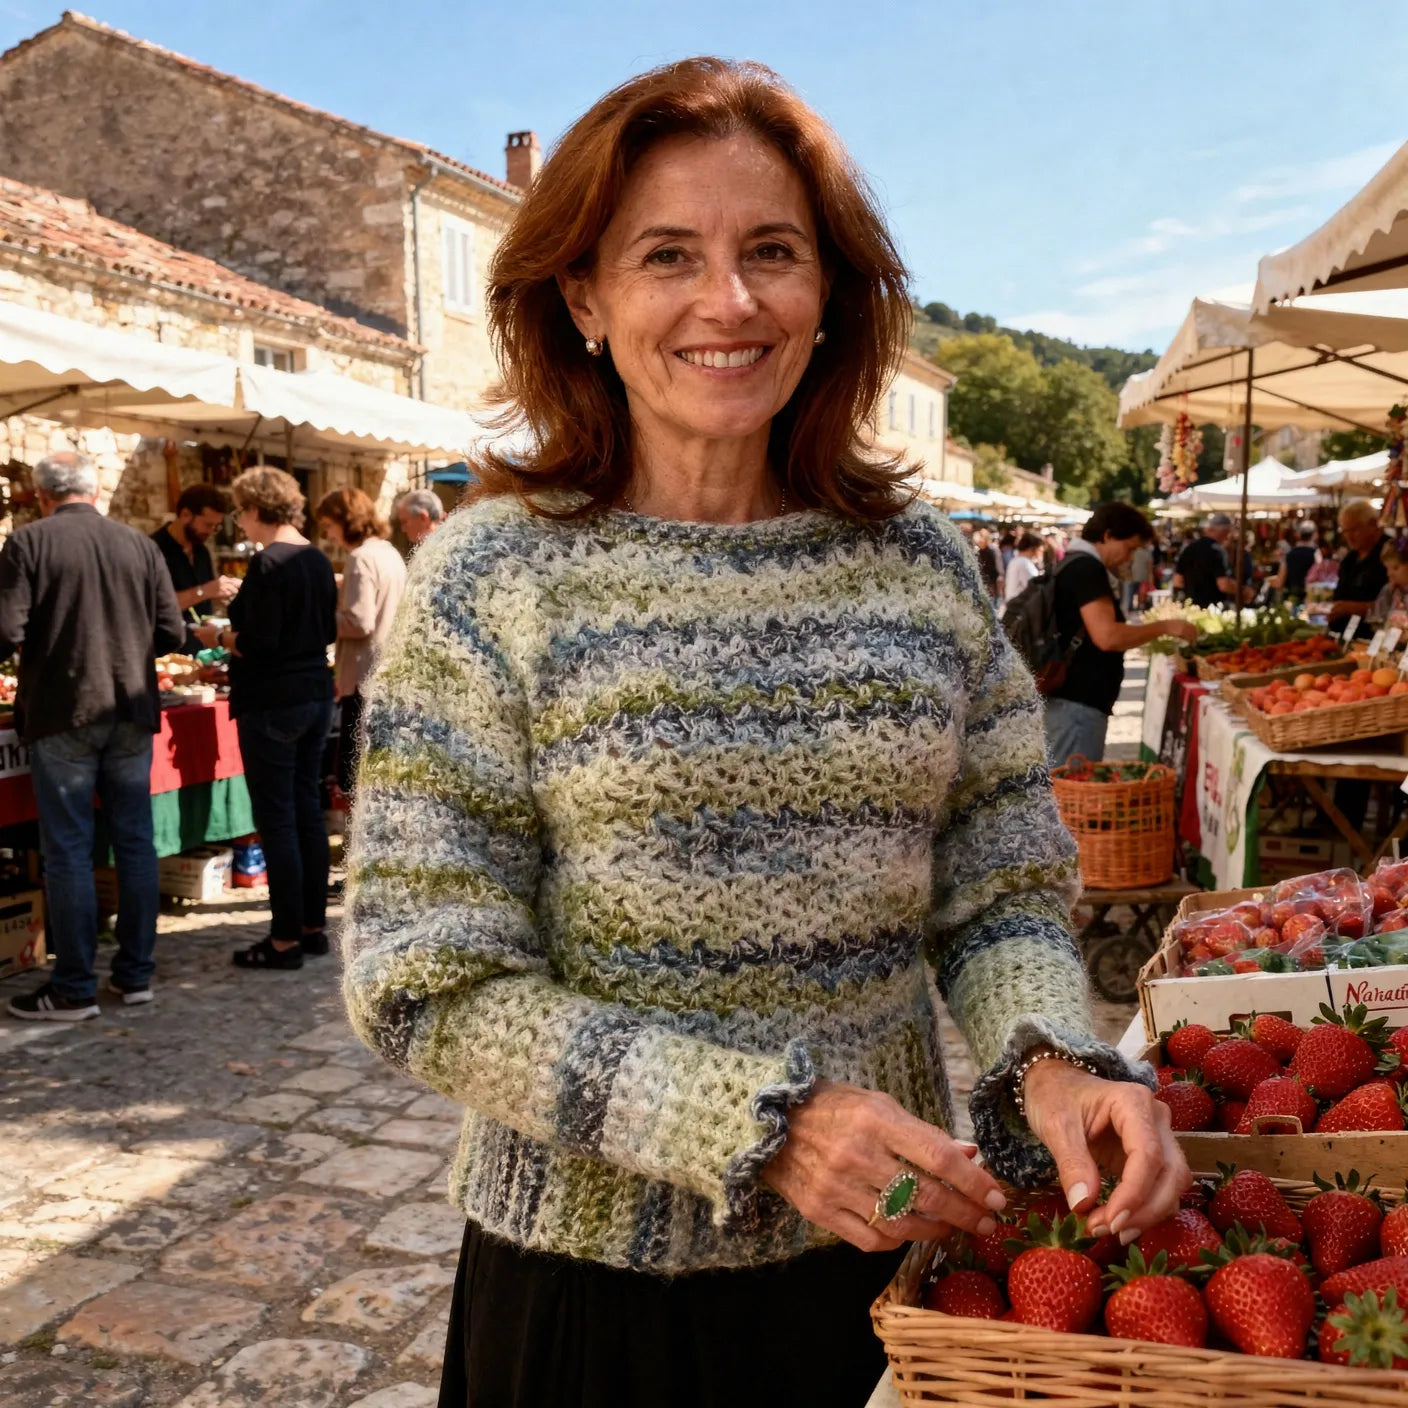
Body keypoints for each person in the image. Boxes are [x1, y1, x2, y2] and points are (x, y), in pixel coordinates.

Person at [340, 59, 1188, 1408]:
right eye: (667, 255)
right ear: (583, 297)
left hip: (883, 1286)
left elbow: (1003, 893)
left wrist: (1048, 1057)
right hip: (585, 1297)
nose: (727, 302)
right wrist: (762, 1124)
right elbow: (423, 977)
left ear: (830, 295)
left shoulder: (919, 567)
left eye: (773, 253)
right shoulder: (493, 575)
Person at [1, 452, 184, 1020]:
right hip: (128, 706)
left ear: (40, 495)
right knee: (133, 843)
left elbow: (5, 631)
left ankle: (76, 986)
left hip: (65, 710)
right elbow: (172, 631)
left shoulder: (27, 543)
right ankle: (133, 976)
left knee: (70, 852)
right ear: (96, 489)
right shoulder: (139, 544)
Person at [194, 468, 336, 971]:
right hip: (315, 693)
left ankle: (283, 940)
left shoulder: (271, 564)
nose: (241, 524)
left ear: (255, 510)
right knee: (304, 815)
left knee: (278, 819)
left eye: (241, 513)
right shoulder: (316, 559)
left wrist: (220, 639)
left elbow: (258, 642)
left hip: (274, 699)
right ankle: (311, 926)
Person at [1044, 502, 1199, 768]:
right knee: (1072, 794)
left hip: (1073, 703)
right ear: (1107, 535)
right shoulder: (1086, 569)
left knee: (1066, 791)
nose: (1129, 558)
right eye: (1129, 548)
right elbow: (1108, 636)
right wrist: (1164, 627)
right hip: (1076, 705)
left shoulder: (1075, 564)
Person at [315, 487, 406, 802]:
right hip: (388, 672)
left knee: (356, 777)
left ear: (345, 520)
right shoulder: (388, 552)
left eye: (328, 525)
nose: (328, 534)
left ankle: (358, 847)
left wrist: (318, 616)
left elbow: (358, 622)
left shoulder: (360, 558)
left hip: (365, 676)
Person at [151, 483, 241, 623]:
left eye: (216, 526)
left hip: (201, 641)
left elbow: (204, 600)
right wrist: (206, 590)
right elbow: (155, 605)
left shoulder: (201, 551)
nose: (211, 532)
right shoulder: (153, 550)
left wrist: (225, 592)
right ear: (185, 515)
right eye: (208, 525)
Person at [1328, 498, 1389, 634]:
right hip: (1345, 639)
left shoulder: (1392, 554)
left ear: (1373, 524)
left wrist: (1353, 608)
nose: (1349, 537)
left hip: (1375, 640)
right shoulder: (1349, 560)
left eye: (1354, 530)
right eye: (1345, 531)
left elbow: (1395, 606)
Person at [1171, 512, 1238, 607]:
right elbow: (1223, 584)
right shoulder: (1218, 550)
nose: (1228, 537)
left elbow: (1177, 581)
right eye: (1227, 533)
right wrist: (1242, 590)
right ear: (1224, 531)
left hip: (1190, 607)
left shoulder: (1189, 548)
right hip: (1213, 608)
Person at [1271, 521, 1317, 602]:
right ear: (1314, 535)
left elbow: (1280, 581)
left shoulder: (1289, 555)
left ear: (1298, 535)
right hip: (1311, 600)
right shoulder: (1317, 554)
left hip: (1292, 600)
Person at [1370, 543, 1408, 632]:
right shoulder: (1388, 590)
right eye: (1387, 568)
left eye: (1395, 568)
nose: (1389, 574)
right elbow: (1377, 620)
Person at [1003, 530, 1044, 604]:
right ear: (1033, 548)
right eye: (1040, 549)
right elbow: (1034, 588)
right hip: (1017, 609)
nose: (1041, 552)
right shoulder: (1024, 564)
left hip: (1012, 607)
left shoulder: (1017, 561)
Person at [973, 526, 1002, 603]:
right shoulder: (979, 551)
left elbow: (993, 569)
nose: (979, 539)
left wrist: (991, 584)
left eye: (981, 536)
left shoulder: (990, 551)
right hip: (983, 583)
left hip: (990, 583)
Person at [1124, 538, 1153, 614]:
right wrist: (1151, 581)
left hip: (1133, 577)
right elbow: (1150, 569)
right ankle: (1141, 607)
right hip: (1143, 577)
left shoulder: (1133, 552)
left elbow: (1129, 564)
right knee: (1142, 594)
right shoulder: (1147, 553)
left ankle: (1130, 607)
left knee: (1131, 593)